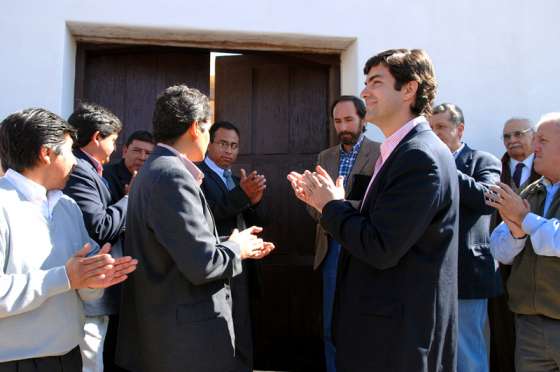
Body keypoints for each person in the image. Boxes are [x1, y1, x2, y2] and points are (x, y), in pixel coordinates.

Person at [288, 49, 458, 371]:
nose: (365, 92)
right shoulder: (400, 151)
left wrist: (331, 205)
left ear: (409, 89)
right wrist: (331, 201)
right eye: (365, 82)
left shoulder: (419, 156)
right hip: (384, 335)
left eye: (376, 82)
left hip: (396, 341)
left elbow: (381, 246)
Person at [116, 84, 275, 372]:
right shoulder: (171, 176)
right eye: (208, 128)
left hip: (168, 331)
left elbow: (176, 243)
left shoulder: (155, 169)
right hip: (184, 339)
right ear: (194, 128)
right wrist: (236, 248)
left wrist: (235, 242)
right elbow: (202, 264)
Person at [0, 108, 136, 371]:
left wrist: (96, 278)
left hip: (69, 356)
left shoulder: (68, 207)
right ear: (46, 153)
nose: (75, 162)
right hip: (14, 362)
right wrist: (65, 277)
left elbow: (82, 288)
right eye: (70, 151)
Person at [306, 95, 380, 372]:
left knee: (363, 325)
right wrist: (316, 203)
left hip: (364, 249)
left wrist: (334, 205)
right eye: (338, 121)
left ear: (363, 120)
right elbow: (315, 209)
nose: (343, 126)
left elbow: (375, 207)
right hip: (332, 249)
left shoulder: (382, 153)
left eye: (349, 119)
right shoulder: (324, 157)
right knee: (330, 326)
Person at [430, 103, 502, 372]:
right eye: (431, 128)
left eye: (441, 128)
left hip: (466, 275)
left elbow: (489, 199)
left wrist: (445, 166)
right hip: (428, 273)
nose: (435, 134)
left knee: (467, 352)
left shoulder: (483, 161)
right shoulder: (423, 164)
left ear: (459, 129)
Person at [488, 113, 560, 372]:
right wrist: (517, 233)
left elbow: (555, 241)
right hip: (529, 325)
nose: (535, 146)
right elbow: (498, 250)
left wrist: (523, 218)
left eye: (542, 140)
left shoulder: (524, 203)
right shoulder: (530, 191)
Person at [198, 120, 267, 372]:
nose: (229, 150)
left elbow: (255, 220)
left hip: (243, 263)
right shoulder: (197, 175)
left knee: (242, 326)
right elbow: (209, 217)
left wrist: (255, 201)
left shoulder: (237, 180)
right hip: (214, 263)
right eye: (223, 144)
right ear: (210, 143)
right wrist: (242, 196)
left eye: (234, 146)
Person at [64, 103, 129, 372]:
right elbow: (100, 226)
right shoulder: (80, 169)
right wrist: (130, 198)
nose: (114, 148)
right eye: (113, 140)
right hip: (89, 292)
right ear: (97, 138)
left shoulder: (94, 170)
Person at [103, 130, 154, 200]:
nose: (142, 157)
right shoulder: (106, 176)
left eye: (148, 153)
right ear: (125, 151)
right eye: (136, 151)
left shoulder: (156, 178)